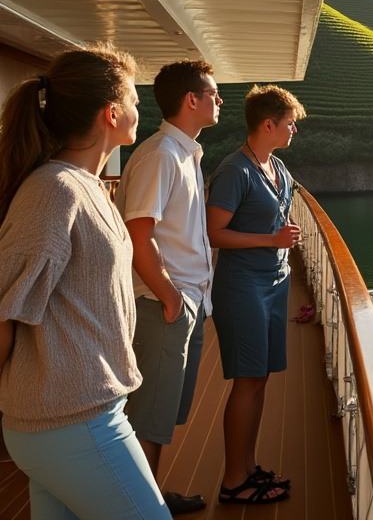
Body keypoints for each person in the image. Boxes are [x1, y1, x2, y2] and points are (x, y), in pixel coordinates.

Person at [0, 45, 171, 519]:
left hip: (76, 416)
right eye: (135, 100)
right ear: (111, 114)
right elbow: (3, 310)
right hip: (71, 422)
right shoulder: (54, 193)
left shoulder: (88, 185)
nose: (141, 109)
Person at [116, 61, 221, 515]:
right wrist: (170, 297)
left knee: (160, 413)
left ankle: (151, 496)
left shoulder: (185, 153)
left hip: (183, 301)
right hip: (163, 303)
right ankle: (141, 505)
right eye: (213, 93)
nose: (220, 100)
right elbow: (139, 235)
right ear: (191, 100)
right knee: (148, 414)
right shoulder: (162, 155)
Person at [205, 85, 304, 505]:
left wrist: (280, 243)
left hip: (275, 282)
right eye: (289, 123)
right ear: (269, 124)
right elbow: (216, 234)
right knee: (247, 380)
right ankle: (233, 481)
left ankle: (248, 468)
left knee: (259, 378)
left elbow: (278, 221)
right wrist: (272, 241)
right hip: (243, 286)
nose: (294, 128)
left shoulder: (278, 168)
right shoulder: (235, 171)